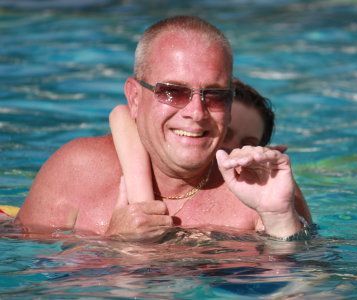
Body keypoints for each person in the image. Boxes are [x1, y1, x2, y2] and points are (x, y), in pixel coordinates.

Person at [17, 16, 309, 240]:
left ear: (230, 105)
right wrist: (114, 247)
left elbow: (309, 285)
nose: (196, 112)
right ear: (134, 97)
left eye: (215, 95)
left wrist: (281, 220)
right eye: (173, 92)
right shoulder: (76, 171)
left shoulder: (263, 191)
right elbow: (28, 278)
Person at [109, 77, 312, 224]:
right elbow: (122, 114)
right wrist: (141, 200)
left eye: (246, 143)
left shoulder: (265, 192)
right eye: (225, 134)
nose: (231, 148)